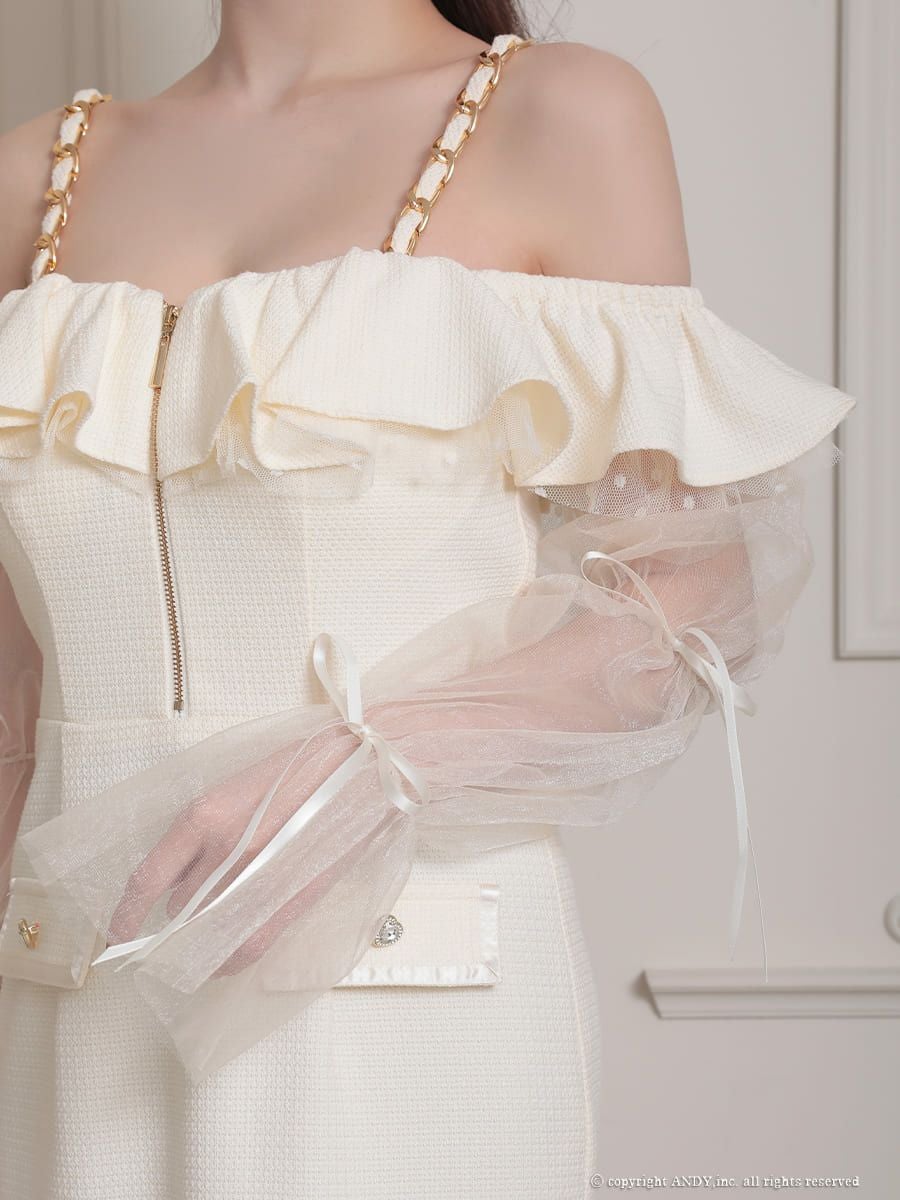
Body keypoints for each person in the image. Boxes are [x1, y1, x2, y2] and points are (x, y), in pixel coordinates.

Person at [0, 3, 856, 1198]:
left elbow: (693, 582)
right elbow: (15, 679)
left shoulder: (558, 114)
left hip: (406, 973)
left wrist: (351, 773)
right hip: (71, 989)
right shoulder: (30, 173)